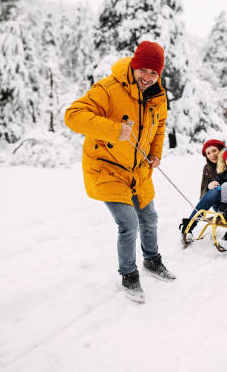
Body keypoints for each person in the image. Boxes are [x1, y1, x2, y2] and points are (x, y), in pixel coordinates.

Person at [65, 41, 174, 303]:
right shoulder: (109, 88)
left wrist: (155, 153)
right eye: (144, 70)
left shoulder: (157, 94)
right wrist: (114, 129)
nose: (148, 77)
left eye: (154, 73)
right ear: (135, 65)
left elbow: (159, 128)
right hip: (107, 168)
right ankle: (129, 275)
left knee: (149, 218)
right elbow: (73, 115)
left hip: (138, 170)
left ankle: (152, 260)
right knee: (129, 223)